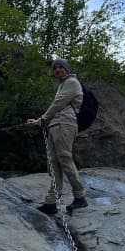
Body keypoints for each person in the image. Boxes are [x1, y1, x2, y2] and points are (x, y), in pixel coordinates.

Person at [26, 58, 88, 214]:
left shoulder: (72, 82)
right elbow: (57, 108)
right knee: (54, 164)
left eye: (61, 67)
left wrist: (43, 118)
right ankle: (51, 202)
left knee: (65, 160)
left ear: (67, 69)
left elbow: (58, 103)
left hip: (65, 125)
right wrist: (39, 121)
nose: (58, 70)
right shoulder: (62, 85)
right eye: (55, 68)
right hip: (56, 125)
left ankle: (80, 196)